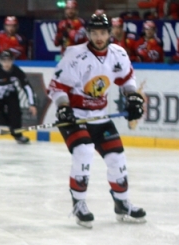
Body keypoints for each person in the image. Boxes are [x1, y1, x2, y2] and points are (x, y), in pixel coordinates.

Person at [47, 13, 146, 228]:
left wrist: (133, 97)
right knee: (84, 150)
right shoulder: (75, 54)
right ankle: (79, 204)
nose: (98, 37)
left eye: (103, 32)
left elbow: (127, 79)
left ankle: (122, 204)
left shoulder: (118, 54)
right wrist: (64, 108)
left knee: (117, 158)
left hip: (99, 117)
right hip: (74, 117)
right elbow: (57, 86)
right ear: (88, 34)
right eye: (94, 32)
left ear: (110, 33)